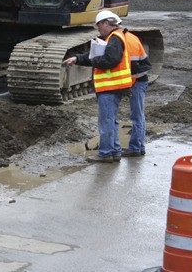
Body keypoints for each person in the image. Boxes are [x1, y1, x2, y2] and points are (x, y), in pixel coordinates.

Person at [63, 10, 132, 163]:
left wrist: (94, 61)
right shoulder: (113, 38)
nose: (98, 28)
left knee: (106, 122)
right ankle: (114, 151)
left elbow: (109, 60)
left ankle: (106, 153)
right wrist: (78, 58)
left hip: (110, 87)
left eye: (99, 25)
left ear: (106, 23)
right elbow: (97, 54)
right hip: (113, 87)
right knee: (111, 120)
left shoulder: (114, 39)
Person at [122, 28, 151, 157]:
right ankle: (139, 146)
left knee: (137, 115)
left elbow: (132, 69)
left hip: (137, 81)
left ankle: (135, 148)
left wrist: (127, 86)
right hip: (138, 80)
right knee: (139, 115)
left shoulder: (127, 41)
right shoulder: (130, 37)